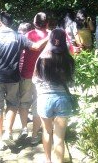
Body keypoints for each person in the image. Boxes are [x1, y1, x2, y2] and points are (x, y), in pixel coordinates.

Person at [0, 11, 49, 151]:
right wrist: (48, 36)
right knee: (12, 104)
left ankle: (0, 140)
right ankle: (8, 131)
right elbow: (36, 47)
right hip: (14, 78)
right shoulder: (19, 37)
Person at [33, 28, 75, 163]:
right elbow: (70, 82)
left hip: (44, 98)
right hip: (63, 99)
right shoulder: (69, 59)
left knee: (47, 132)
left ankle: (48, 160)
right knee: (60, 138)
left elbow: (34, 79)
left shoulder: (42, 58)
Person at [18, 12, 49, 145]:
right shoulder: (50, 36)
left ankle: (24, 128)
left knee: (24, 103)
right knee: (38, 105)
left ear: (34, 23)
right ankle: (35, 135)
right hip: (43, 76)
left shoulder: (27, 35)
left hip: (26, 74)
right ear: (47, 23)